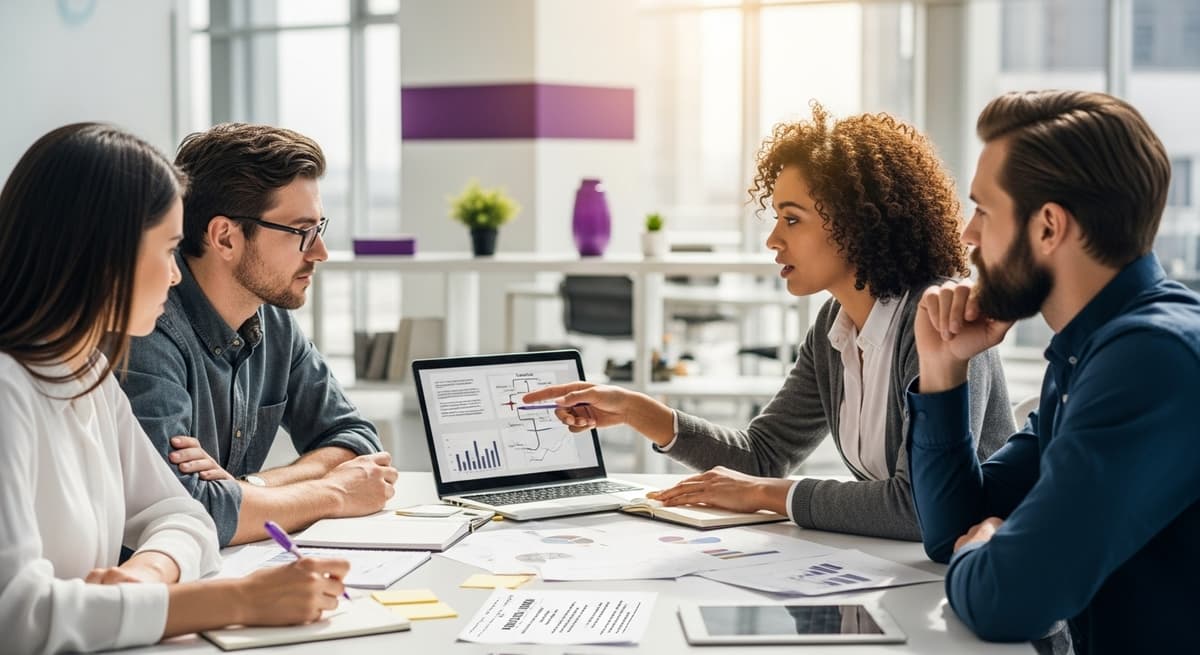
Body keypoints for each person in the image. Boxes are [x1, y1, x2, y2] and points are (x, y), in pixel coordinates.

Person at [524, 103, 1015, 540]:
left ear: (859, 222)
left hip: (978, 579)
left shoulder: (936, 322)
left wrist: (768, 494)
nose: (773, 240)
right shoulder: (834, 327)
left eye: (793, 219)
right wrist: (638, 411)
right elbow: (763, 454)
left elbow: (917, 508)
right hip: (910, 574)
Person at [0, 123, 351, 653]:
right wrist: (241, 601)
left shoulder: (88, 377)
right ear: (102, 254)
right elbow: (16, 616)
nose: (173, 276)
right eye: (167, 249)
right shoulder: (8, 393)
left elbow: (181, 516)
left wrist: (146, 576)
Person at [908, 90, 1200, 653]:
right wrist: (943, 366)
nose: (969, 235)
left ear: (1047, 228)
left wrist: (987, 546)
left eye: (984, 211)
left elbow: (1009, 600)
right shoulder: (1088, 353)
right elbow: (952, 528)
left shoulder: (1151, 361)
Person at [118, 123, 397, 548]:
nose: (319, 251)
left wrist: (250, 487)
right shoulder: (148, 331)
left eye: (319, 227)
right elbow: (186, 509)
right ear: (225, 238)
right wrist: (332, 493)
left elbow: (356, 440)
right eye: (301, 232)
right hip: (157, 594)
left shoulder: (271, 317)